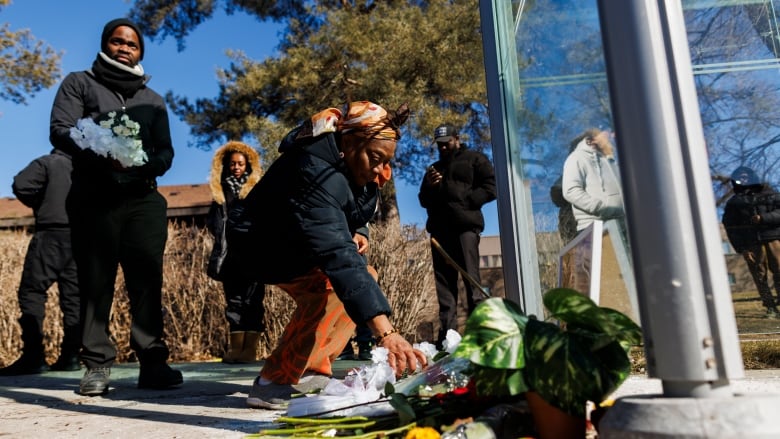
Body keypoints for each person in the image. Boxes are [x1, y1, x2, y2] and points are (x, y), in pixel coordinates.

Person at [238, 101, 427, 409]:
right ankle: (273, 381)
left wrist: (360, 232)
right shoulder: (312, 170)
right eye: (376, 159)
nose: (381, 170)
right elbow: (336, 254)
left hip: (300, 242)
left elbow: (355, 210)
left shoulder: (355, 166)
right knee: (330, 285)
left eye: (386, 161)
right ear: (349, 142)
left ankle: (312, 371)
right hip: (262, 244)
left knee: (366, 276)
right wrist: (386, 334)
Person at [49, 18, 181, 396]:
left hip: (143, 200)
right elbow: (60, 129)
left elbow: (165, 152)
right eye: (117, 41)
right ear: (106, 44)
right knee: (95, 282)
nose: (124, 48)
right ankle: (96, 365)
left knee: (146, 281)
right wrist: (103, 153)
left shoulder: (152, 100)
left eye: (132, 44)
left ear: (141, 52)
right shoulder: (79, 83)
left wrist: (141, 165)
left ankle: (153, 363)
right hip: (94, 199)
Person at [0, 150, 81, 376]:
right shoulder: (86, 166)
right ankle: (71, 356)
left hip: (50, 235)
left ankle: (34, 357)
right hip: (80, 238)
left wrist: (41, 202)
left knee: (32, 293)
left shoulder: (48, 163)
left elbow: (21, 184)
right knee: (74, 298)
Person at [418, 124, 497, 348]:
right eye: (440, 144)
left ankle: (479, 334)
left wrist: (467, 201)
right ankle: (447, 337)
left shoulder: (475, 159)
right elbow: (423, 199)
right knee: (444, 286)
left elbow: (491, 187)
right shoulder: (433, 169)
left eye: (447, 143)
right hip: (439, 233)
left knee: (472, 281)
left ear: (457, 138)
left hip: (465, 230)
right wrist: (432, 187)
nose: (443, 147)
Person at [206, 141, 266, 363]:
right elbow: (212, 222)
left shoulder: (257, 190)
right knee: (234, 302)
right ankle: (236, 349)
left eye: (241, 163)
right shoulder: (220, 192)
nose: (236, 167)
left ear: (248, 165)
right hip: (228, 256)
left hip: (252, 254)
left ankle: (250, 350)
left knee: (253, 301)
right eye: (232, 163)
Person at [722, 166, 780, 318]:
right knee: (759, 277)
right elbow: (731, 227)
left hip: (774, 239)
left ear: (752, 176)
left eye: (746, 175)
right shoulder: (734, 202)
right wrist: (742, 249)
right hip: (751, 243)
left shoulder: (770, 194)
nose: (744, 178)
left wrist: (764, 218)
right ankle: (770, 307)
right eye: (740, 176)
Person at [561, 128, 624, 233]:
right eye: (607, 132)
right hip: (595, 227)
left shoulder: (608, 160)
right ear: (592, 140)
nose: (612, 135)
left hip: (621, 224)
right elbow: (571, 191)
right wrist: (604, 209)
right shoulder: (576, 158)